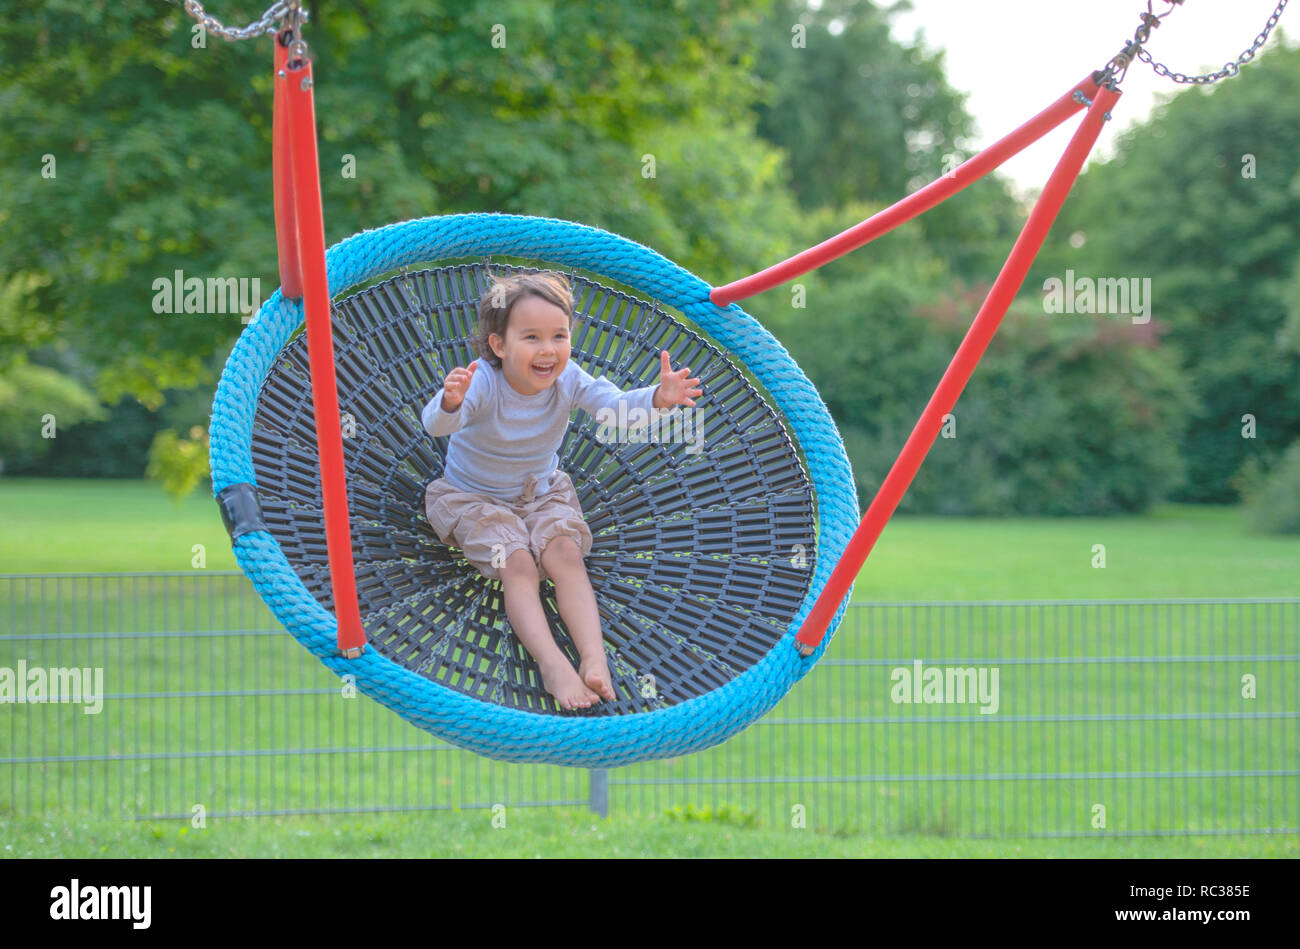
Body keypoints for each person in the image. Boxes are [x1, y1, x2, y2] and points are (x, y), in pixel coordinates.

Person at [421, 271, 703, 710]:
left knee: (565, 554)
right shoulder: (485, 383)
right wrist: (450, 402)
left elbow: (613, 409)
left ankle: (593, 658)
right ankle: (553, 664)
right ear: (500, 345)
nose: (548, 350)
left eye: (559, 335)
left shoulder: (568, 377)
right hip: (473, 499)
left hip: (540, 493)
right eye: (531, 337)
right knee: (518, 564)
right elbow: (438, 426)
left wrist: (657, 400)